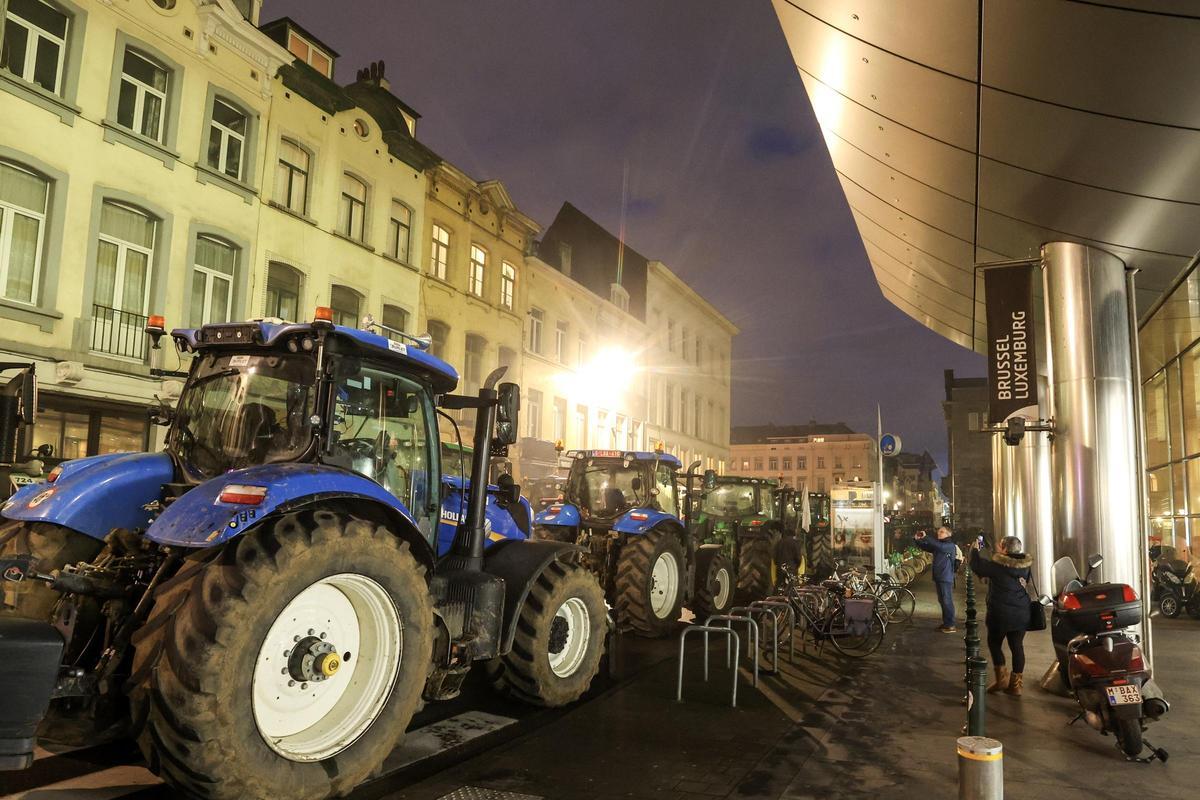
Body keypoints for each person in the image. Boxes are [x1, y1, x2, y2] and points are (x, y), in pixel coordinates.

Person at [970, 535, 1034, 697]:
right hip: (1021, 612)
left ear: (1005, 549)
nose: (998, 547)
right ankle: (1016, 686)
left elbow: (978, 567)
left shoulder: (998, 565)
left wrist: (975, 550)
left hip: (1000, 612)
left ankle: (1002, 680)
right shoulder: (1025, 566)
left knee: (994, 642)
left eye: (1000, 545)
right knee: (1017, 646)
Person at [914, 526, 959, 632]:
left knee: (946, 600)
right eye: (938, 532)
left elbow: (937, 546)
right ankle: (946, 623)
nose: (939, 533)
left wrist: (927, 537)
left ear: (949, 534)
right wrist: (917, 540)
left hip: (945, 576)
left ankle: (951, 624)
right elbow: (926, 547)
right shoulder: (940, 545)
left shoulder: (949, 545)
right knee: (942, 600)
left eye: (942, 532)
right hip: (940, 576)